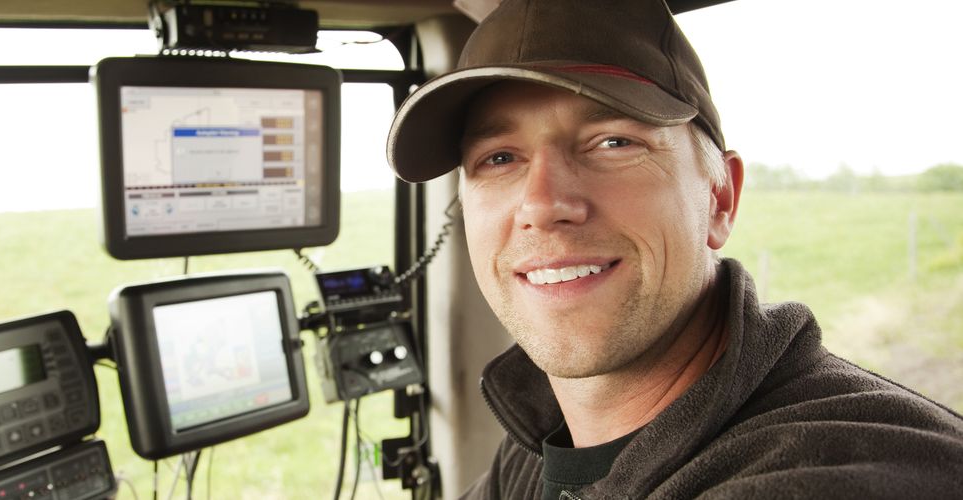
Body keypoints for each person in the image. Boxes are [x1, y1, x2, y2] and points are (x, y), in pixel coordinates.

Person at [385, 0, 963, 498]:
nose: (542, 203)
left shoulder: (843, 469)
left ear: (719, 199)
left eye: (613, 142)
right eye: (500, 159)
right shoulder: (545, 438)